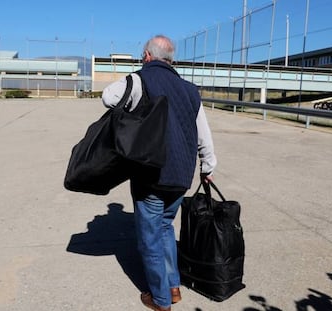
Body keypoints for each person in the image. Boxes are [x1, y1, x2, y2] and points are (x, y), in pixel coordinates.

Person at [102, 35, 217, 311]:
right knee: (166, 227)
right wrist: (208, 166)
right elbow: (204, 133)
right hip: (181, 177)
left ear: (147, 55)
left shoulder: (140, 79)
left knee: (150, 238)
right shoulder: (190, 89)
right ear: (171, 60)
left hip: (151, 174)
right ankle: (173, 287)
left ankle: (161, 299)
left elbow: (108, 97)